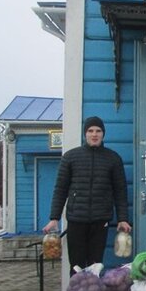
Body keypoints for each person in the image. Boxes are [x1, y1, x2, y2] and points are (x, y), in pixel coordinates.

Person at [42, 116, 131, 273]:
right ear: (85, 134)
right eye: (90, 131)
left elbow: (120, 190)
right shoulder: (70, 157)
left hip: (100, 220)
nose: (94, 134)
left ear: (103, 134)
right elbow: (60, 189)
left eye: (98, 131)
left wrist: (123, 218)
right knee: (76, 266)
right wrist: (54, 218)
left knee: (95, 265)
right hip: (76, 220)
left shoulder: (113, 159)